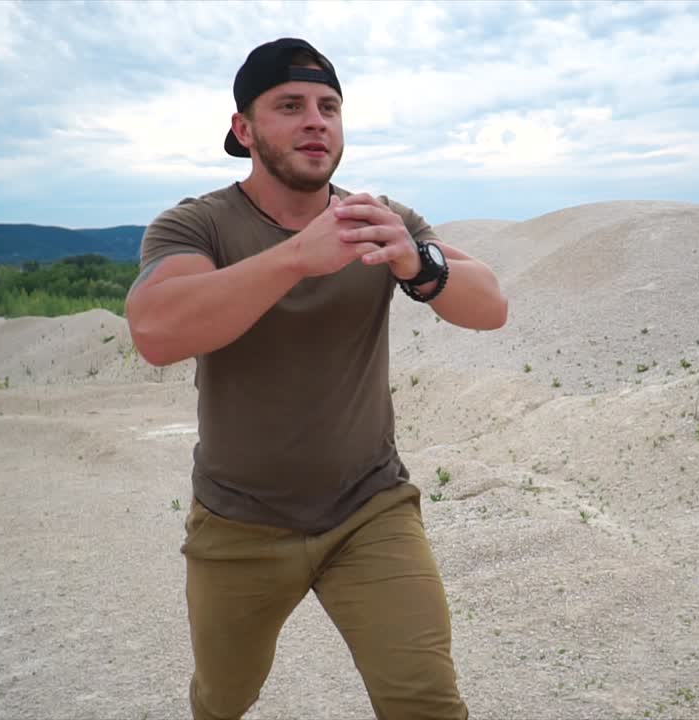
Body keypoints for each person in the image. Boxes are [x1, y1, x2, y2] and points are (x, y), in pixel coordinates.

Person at [124, 38, 508, 720]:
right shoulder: (198, 225)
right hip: (238, 522)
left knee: (425, 700)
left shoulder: (376, 218)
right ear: (243, 129)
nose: (316, 121)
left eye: (329, 106)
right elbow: (155, 330)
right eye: (290, 105)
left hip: (369, 508)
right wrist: (297, 257)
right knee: (223, 699)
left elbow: (490, 306)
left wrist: (421, 263)